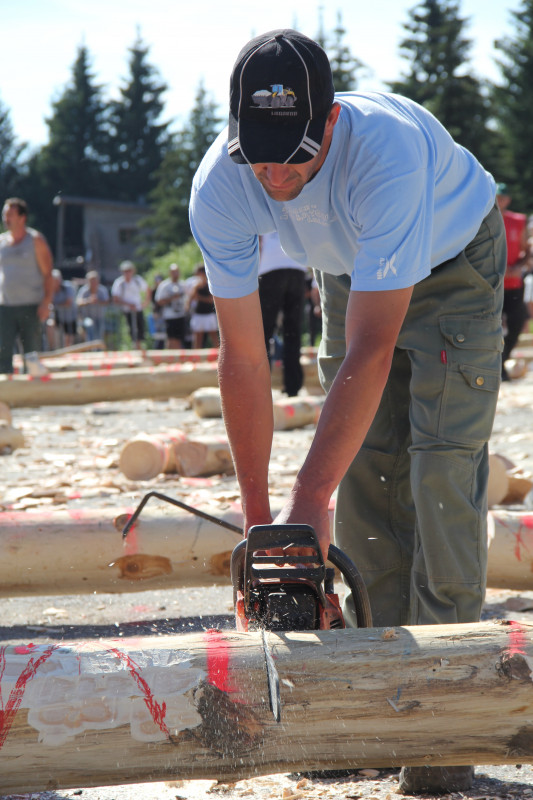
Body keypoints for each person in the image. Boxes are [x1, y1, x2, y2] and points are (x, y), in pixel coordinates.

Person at [190, 30, 506, 795]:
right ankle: (367, 709)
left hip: (453, 264)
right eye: (258, 152)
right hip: (348, 271)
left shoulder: (384, 153)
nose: (273, 173)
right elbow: (242, 360)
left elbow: (369, 352)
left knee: (435, 485)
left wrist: (306, 498)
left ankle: (440, 734)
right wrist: (266, 521)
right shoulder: (220, 185)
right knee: (366, 487)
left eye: (293, 153)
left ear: (329, 123)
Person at [0, 197, 54, 373]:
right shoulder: (1, 242)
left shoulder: (35, 240)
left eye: (10, 214)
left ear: (22, 217)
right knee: (2, 354)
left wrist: (46, 302)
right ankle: (4, 398)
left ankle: (32, 398)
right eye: (4, 214)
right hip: (5, 306)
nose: (5, 218)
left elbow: (48, 273)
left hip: (31, 307)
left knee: (31, 357)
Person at [258, 230, 307, 396]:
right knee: (292, 331)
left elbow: (257, 242)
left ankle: (261, 386)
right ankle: (293, 386)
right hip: (297, 267)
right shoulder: (298, 204)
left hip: (270, 268)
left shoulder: (263, 205)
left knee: (264, 330)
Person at [496, 184, 530, 380]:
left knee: (517, 323)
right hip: (493, 284)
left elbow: (527, 249)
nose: (499, 201)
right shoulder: (484, 219)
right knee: (493, 327)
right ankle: (496, 368)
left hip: (514, 283)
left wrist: (518, 267)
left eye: (503, 197)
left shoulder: (518, 220)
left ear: (508, 199)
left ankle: (503, 361)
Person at [111, 260, 151, 349]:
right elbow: (115, 298)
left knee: (141, 328)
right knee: (131, 329)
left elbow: (147, 289)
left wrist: (146, 302)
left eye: (129, 270)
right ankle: (133, 346)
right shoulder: (119, 283)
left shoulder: (137, 280)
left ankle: (139, 346)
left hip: (138, 308)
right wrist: (128, 304)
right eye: (125, 271)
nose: (127, 273)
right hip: (127, 310)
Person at [154, 264, 188, 349]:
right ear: (169, 273)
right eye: (173, 272)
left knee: (180, 338)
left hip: (181, 314)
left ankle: (178, 357)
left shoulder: (183, 284)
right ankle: (171, 357)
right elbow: (159, 301)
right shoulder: (164, 285)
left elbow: (187, 298)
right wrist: (172, 298)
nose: (175, 274)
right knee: (171, 338)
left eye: (176, 272)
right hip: (169, 316)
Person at [188, 264, 219, 349]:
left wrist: (199, 297)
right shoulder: (196, 285)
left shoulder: (210, 283)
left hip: (209, 313)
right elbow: (191, 298)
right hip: (199, 313)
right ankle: (196, 357)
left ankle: (218, 354)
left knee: (213, 336)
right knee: (198, 337)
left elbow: (211, 300)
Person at [76, 270, 110, 342]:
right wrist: (88, 301)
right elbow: (78, 302)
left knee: (99, 334)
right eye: (91, 280)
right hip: (87, 317)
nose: (93, 282)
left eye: (95, 280)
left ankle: (98, 350)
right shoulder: (84, 290)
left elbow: (107, 301)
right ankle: (90, 347)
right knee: (90, 327)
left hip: (100, 317)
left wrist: (98, 301)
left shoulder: (102, 290)